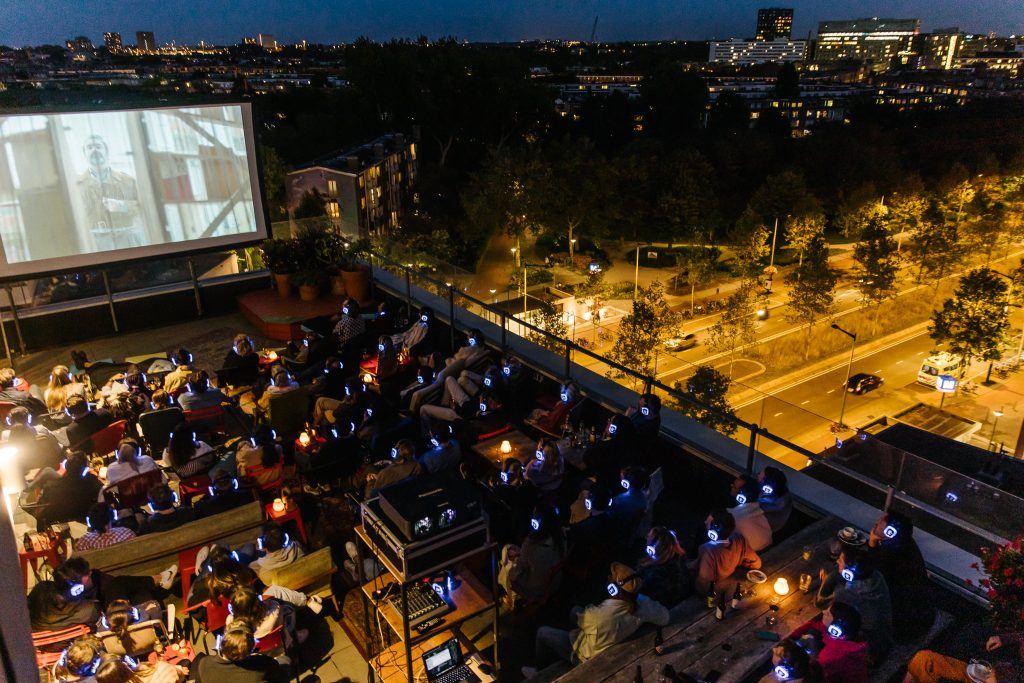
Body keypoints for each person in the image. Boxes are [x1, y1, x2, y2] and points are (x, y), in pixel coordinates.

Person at [521, 562, 670, 677]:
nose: (608, 578)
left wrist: (584, 614)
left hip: (584, 654)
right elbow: (665, 617)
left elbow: (584, 619)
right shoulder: (643, 603)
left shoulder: (598, 616)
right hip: (609, 640)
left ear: (615, 588)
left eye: (610, 577)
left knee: (543, 632)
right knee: (574, 611)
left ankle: (538, 671)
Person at [816, 545, 893, 665]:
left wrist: (828, 579)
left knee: (817, 630)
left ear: (849, 572)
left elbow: (820, 603)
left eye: (840, 560)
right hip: (884, 637)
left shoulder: (847, 593)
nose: (837, 561)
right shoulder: (876, 575)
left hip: (867, 650)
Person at [866, 509, 934, 640]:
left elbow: (872, 574)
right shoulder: (906, 542)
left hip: (905, 625)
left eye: (880, 522)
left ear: (890, 531)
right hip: (922, 612)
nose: (876, 522)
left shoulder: (891, 554)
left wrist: (872, 543)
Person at [79, 134, 145, 251]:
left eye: (98, 146)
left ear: (107, 152)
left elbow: (144, 208)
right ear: (84, 154)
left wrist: (122, 206)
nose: (94, 149)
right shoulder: (77, 186)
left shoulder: (128, 181)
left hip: (126, 242)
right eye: (89, 147)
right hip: (94, 245)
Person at [53, 555, 176, 613]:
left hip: (119, 603)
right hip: (110, 615)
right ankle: (159, 579)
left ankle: (160, 580)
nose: (89, 573)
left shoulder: (96, 577)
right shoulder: (71, 598)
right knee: (120, 583)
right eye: (86, 574)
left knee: (135, 590)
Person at [498, 502, 565, 606]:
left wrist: (514, 561)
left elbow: (517, 570)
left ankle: (510, 596)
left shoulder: (530, 545)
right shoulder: (561, 534)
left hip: (537, 590)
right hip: (556, 582)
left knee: (506, 560)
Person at [790, 601, 869, 683]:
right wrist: (793, 636)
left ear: (835, 628)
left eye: (828, 613)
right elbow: (814, 624)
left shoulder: (827, 657)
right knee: (812, 632)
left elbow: (821, 678)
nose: (823, 611)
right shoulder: (845, 635)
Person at [25, 450, 102, 530]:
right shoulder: (93, 483)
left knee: (48, 471)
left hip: (60, 521)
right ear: (85, 468)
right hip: (85, 519)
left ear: (66, 467)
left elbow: (42, 505)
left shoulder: (52, 487)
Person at [690, 508, 762, 595]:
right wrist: (737, 562)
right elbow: (757, 564)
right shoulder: (739, 539)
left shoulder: (707, 550)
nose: (705, 522)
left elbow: (702, 588)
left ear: (714, 531)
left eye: (708, 522)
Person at [194, 622, 289, 683]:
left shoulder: (204, 663)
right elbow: (275, 669)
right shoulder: (259, 665)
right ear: (249, 652)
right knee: (284, 660)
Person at [225, 586, 306, 649]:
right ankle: (295, 636)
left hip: (258, 652)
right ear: (257, 604)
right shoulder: (273, 611)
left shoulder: (230, 622)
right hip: (282, 645)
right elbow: (274, 603)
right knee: (287, 609)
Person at [637, 527, 691, 607]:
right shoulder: (680, 563)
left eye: (648, 536)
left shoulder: (655, 575)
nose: (646, 538)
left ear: (655, 547)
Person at [728, 476, 773, 552]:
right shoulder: (760, 509)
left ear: (741, 496)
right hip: (766, 548)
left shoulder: (733, 517)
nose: (731, 486)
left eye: (734, 487)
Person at [93, 651, 188, 683]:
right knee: (195, 660)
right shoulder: (161, 668)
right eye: (122, 663)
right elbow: (180, 676)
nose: (126, 663)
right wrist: (179, 669)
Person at [758, 466, 793, 533]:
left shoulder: (773, 504)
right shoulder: (781, 491)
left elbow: (754, 510)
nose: (758, 475)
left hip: (764, 529)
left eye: (760, 474)